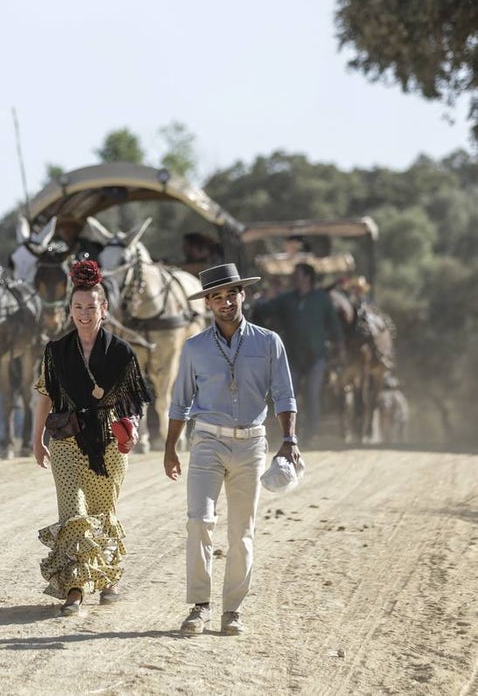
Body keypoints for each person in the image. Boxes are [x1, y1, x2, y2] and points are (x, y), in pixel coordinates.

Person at [164, 263, 299, 635]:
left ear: (243, 294)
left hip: (252, 442)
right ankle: (200, 606)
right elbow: (180, 402)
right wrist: (170, 448)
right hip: (206, 440)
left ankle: (233, 611)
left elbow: (284, 395)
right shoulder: (194, 348)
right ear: (207, 303)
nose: (225, 302)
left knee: (242, 532)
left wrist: (289, 440)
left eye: (231, 294)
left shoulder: (269, 342)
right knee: (198, 521)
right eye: (217, 297)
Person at [31, 260, 151, 615]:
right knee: (74, 512)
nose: (84, 314)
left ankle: (107, 577)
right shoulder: (55, 352)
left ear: (105, 309)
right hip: (66, 439)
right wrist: (36, 439)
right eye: (78, 307)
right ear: (70, 310)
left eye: (91, 307)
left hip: (109, 444)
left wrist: (132, 427)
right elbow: (44, 396)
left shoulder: (121, 352)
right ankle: (74, 587)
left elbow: (134, 403)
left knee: (103, 510)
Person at [255, 262, 344, 435]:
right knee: (289, 397)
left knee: (312, 394)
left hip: (316, 356)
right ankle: (290, 433)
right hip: (292, 357)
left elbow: (334, 326)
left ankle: (310, 434)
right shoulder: (286, 299)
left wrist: (340, 348)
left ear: (307, 277)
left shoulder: (321, 299)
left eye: (297, 274)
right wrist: (265, 298)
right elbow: (263, 311)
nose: (293, 278)